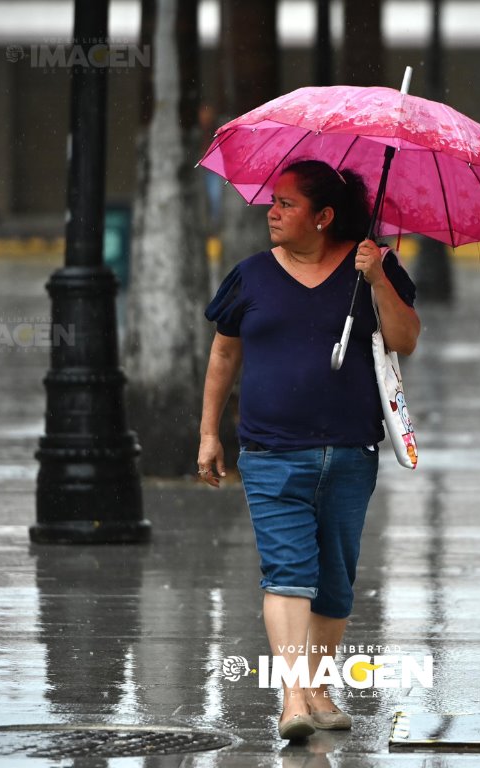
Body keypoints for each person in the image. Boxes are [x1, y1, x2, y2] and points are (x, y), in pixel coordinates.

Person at [197, 159, 420, 741]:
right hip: (271, 454)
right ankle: (293, 698)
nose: (273, 211)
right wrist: (208, 432)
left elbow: (405, 340)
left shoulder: (373, 265)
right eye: (273, 201)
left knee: (335, 580)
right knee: (288, 574)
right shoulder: (250, 276)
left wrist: (377, 282)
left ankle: (318, 688)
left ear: (323, 217)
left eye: (287, 204)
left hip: (350, 452)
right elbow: (224, 356)